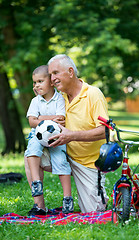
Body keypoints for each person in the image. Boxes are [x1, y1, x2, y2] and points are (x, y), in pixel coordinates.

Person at [25, 55, 109, 213]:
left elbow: (105, 130)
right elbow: (35, 116)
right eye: (50, 75)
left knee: (93, 211)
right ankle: (39, 206)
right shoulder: (58, 96)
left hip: (87, 163)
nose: (53, 78)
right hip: (62, 154)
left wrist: (71, 135)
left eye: (56, 73)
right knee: (31, 154)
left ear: (71, 72)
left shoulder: (93, 94)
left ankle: (98, 193)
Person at [24, 65, 73, 215]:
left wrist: (40, 118)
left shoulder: (59, 99)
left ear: (51, 82)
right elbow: (32, 122)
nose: (36, 85)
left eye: (40, 81)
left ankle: (67, 199)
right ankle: (36, 183)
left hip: (56, 137)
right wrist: (49, 118)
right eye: (34, 82)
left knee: (61, 162)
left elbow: (61, 120)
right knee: (31, 150)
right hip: (37, 137)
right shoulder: (35, 101)